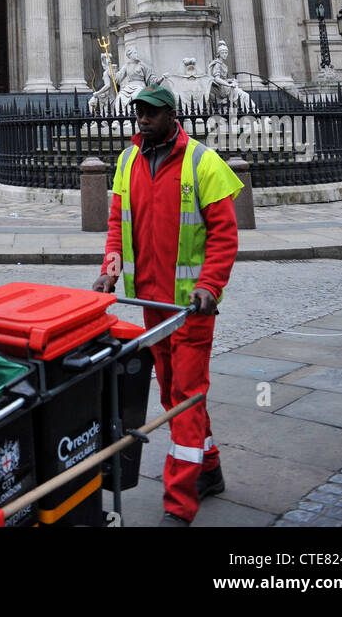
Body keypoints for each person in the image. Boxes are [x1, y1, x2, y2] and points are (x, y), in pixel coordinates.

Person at [92, 84, 243, 527]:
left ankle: (179, 504)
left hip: (191, 309)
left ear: (172, 115)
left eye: (151, 113)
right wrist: (111, 267)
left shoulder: (203, 162)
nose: (142, 119)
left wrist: (210, 286)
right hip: (150, 305)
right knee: (171, 390)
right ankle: (209, 469)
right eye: (139, 111)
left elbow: (224, 234)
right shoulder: (127, 160)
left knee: (185, 399)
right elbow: (118, 223)